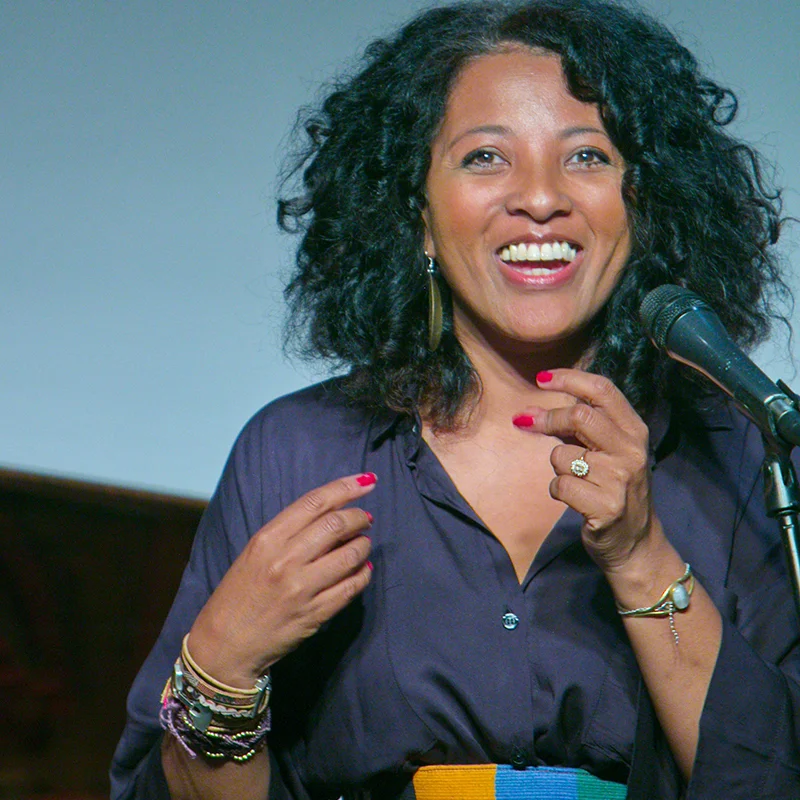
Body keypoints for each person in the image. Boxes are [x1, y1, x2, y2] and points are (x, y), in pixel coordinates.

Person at [111, 1, 800, 798]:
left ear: (644, 205)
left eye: (587, 157)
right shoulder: (294, 451)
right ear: (419, 219)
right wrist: (223, 662)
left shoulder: (742, 450)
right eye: (484, 158)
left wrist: (643, 557)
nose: (540, 198)